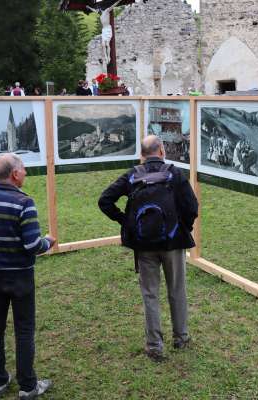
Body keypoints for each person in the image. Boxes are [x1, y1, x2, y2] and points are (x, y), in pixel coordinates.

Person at [98, 135, 198, 362]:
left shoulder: (131, 175)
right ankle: (181, 337)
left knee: (150, 295)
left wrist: (126, 221)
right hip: (173, 243)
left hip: (143, 246)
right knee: (177, 290)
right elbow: (192, 206)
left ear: (141, 154)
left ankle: (154, 346)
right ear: (162, 150)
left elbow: (104, 200)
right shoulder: (174, 173)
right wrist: (183, 227)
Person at [0, 154, 55, 399]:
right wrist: (47, 242)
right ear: (15, 174)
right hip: (21, 278)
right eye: (23, 169)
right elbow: (32, 245)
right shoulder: (24, 202)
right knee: (24, 330)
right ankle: (28, 386)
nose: (25, 173)